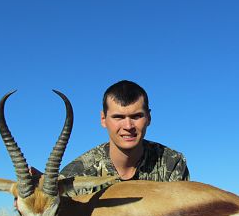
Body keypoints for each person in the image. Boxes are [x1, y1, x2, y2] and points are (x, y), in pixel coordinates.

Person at [59, 80, 189, 193]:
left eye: (136, 116)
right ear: (103, 119)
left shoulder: (172, 163)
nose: (128, 126)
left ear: (148, 118)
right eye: (118, 117)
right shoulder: (75, 175)